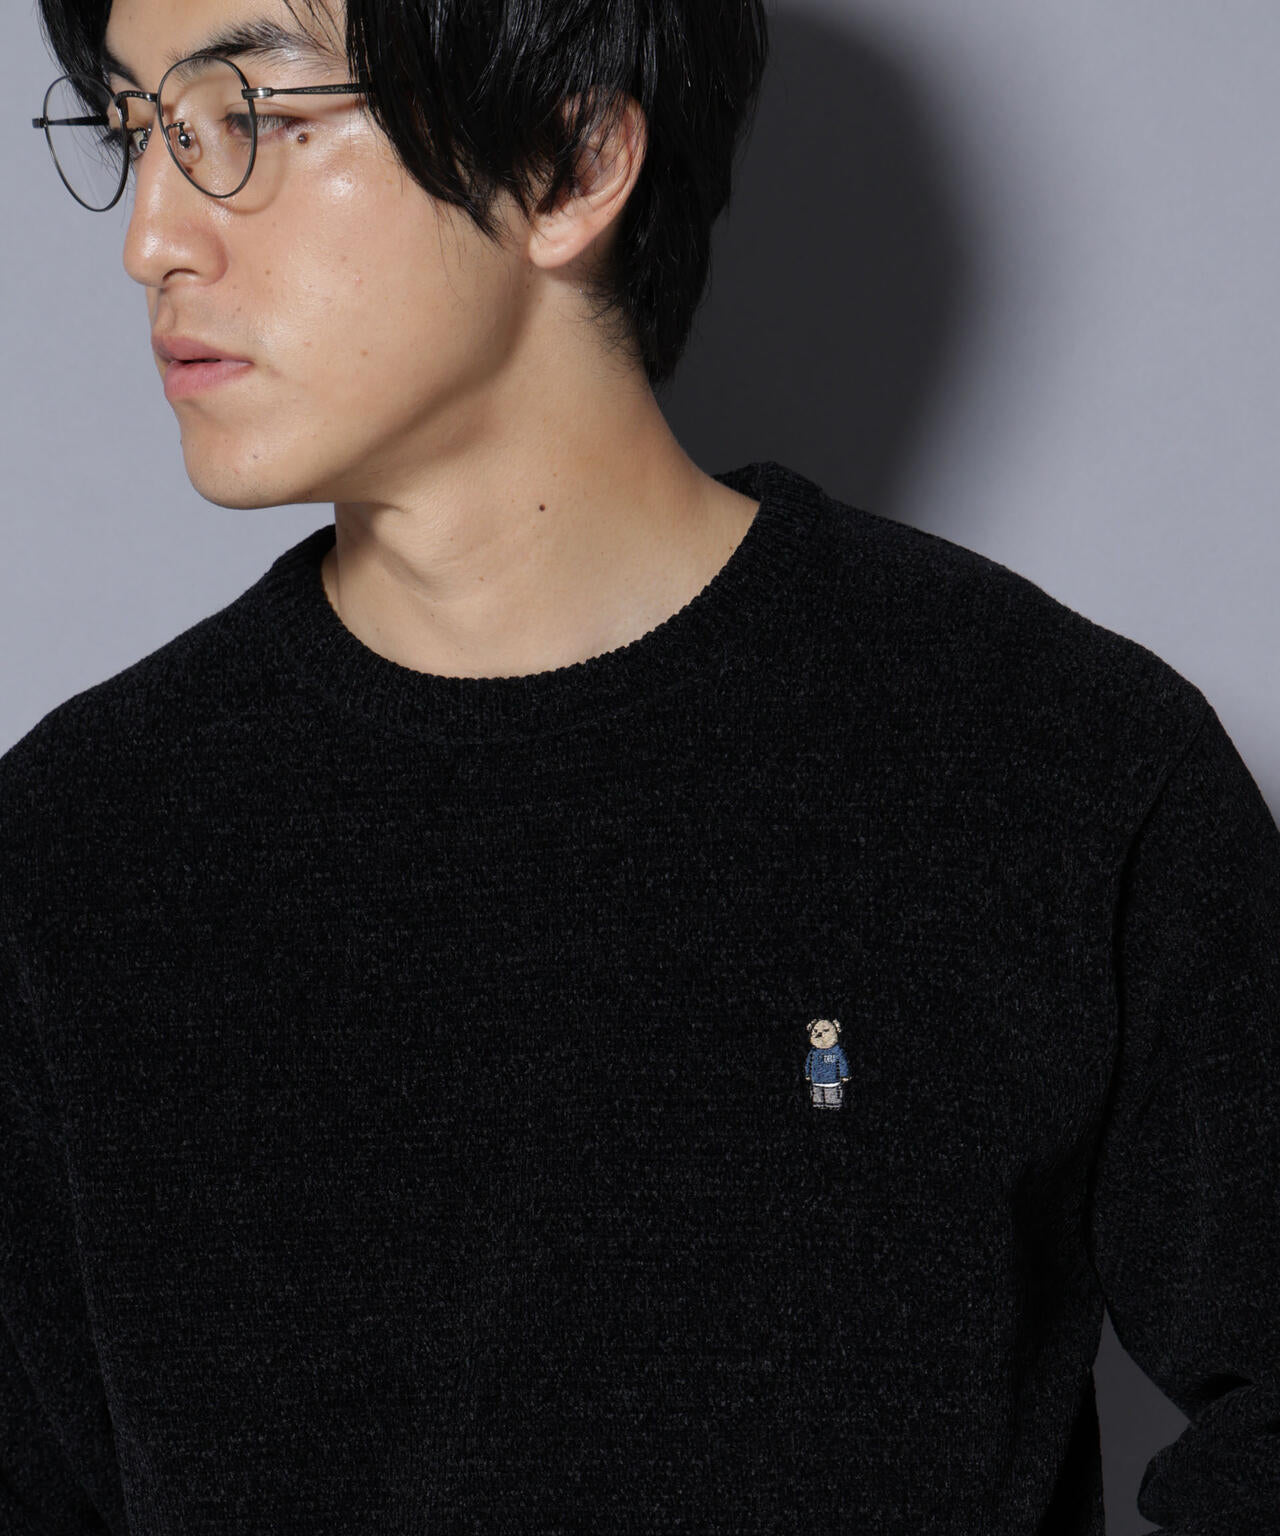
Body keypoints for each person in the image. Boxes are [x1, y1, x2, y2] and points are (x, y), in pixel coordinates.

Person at [6, 0, 1278, 1531]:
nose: (151, 237)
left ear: (571, 161)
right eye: (137, 128)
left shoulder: (1052, 760)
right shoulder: (74, 856)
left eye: (249, 121)